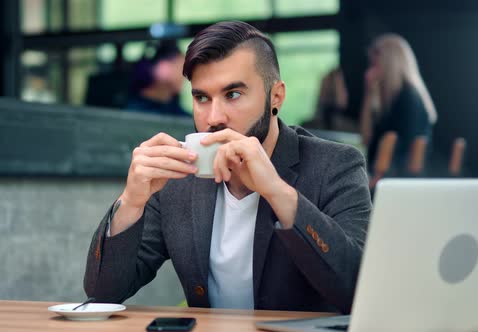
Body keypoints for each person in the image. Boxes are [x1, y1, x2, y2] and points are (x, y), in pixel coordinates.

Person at [84, 21, 371, 314]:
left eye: (232, 94)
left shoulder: (336, 166)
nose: (214, 117)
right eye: (201, 98)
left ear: (276, 97)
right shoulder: (179, 177)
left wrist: (276, 191)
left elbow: (356, 290)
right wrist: (131, 202)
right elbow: (103, 293)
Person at [360, 34, 437, 174]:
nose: (371, 71)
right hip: (388, 176)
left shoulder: (408, 98)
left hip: (394, 179)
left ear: (389, 64)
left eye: (375, 64)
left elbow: (403, 155)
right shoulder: (392, 99)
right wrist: (369, 94)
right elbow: (366, 138)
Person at [127, 40, 189, 116]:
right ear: (163, 68)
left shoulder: (175, 111)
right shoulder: (135, 113)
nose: (185, 77)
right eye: (180, 68)